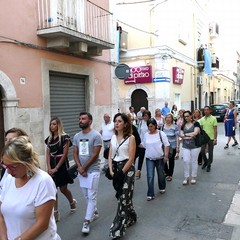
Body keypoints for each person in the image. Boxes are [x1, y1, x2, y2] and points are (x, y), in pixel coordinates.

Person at [0, 136, 60, 240]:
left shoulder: (43, 181)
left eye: (13, 166)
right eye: (5, 166)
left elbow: (42, 224)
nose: (8, 171)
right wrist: (3, 237)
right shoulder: (8, 180)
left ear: (27, 162)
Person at [108, 113, 137, 239]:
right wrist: (111, 170)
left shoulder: (131, 138)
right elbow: (110, 155)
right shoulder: (113, 138)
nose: (116, 123)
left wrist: (121, 173)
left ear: (125, 124)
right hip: (116, 169)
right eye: (115, 121)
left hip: (127, 170)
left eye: (119, 121)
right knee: (123, 196)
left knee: (124, 198)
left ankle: (117, 228)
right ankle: (132, 216)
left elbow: (131, 158)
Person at [73, 112, 102, 234]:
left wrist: (84, 168)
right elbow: (75, 153)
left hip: (93, 170)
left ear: (90, 121)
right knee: (86, 195)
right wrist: (79, 167)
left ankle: (86, 221)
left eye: (83, 119)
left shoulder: (96, 136)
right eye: (80, 119)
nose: (81, 120)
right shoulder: (76, 136)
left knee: (91, 196)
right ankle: (94, 212)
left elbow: (95, 155)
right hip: (82, 171)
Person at [45, 117, 76, 222]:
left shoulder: (65, 137)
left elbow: (65, 154)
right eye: (51, 124)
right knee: (53, 190)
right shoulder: (49, 139)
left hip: (61, 166)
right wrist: (49, 168)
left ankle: (72, 202)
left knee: (63, 189)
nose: (52, 126)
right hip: (52, 166)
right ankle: (55, 212)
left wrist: (56, 168)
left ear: (58, 125)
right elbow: (47, 154)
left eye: (54, 124)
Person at [142, 118, 170, 201]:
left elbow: (166, 145)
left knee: (161, 174)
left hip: (160, 158)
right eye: (148, 126)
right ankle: (150, 193)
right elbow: (144, 145)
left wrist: (166, 155)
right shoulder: (146, 135)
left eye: (151, 126)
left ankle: (162, 186)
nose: (150, 128)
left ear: (155, 126)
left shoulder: (161, 134)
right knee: (150, 176)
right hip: (149, 158)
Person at [180, 110, 201, 185]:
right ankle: (186, 177)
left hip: (195, 146)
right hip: (185, 145)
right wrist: (189, 136)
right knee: (185, 161)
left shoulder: (196, 123)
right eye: (184, 116)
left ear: (191, 116)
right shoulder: (183, 125)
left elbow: (195, 133)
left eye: (187, 116)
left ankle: (193, 177)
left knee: (194, 161)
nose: (186, 118)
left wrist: (185, 135)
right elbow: (181, 134)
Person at [199, 106, 218, 172]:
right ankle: (206, 162)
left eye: (207, 110)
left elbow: (215, 129)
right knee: (202, 152)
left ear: (210, 111)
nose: (206, 111)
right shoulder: (202, 119)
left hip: (211, 138)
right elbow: (201, 129)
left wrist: (215, 138)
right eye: (205, 110)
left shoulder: (213, 118)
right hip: (204, 138)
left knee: (210, 152)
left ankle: (209, 164)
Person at [162, 113, 180, 181]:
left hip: (172, 146)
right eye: (167, 117)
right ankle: (166, 172)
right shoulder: (162, 126)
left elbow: (177, 137)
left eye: (169, 117)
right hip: (164, 146)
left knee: (171, 161)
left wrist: (178, 147)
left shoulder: (174, 127)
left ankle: (170, 174)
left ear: (172, 119)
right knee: (163, 160)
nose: (168, 118)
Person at [136, 110, 151, 178]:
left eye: (146, 116)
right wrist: (138, 141)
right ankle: (139, 171)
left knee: (149, 158)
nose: (145, 117)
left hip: (149, 143)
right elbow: (139, 131)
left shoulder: (151, 122)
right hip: (142, 142)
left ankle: (150, 171)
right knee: (141, 157)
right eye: (144, 116)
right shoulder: (141, 122)